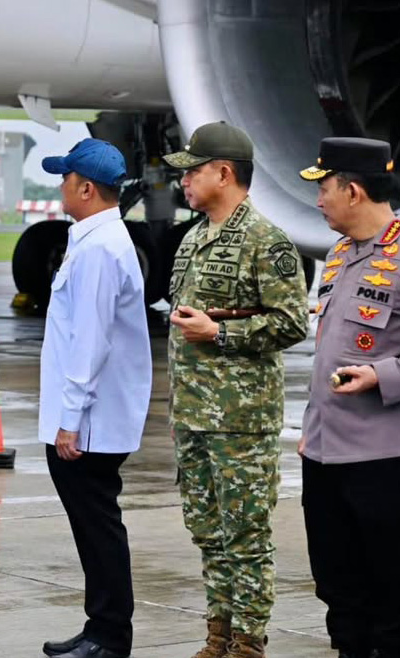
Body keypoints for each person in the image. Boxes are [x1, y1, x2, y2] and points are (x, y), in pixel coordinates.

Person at [163, 121, 309, 658]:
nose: (184, 181)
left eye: (194, 171)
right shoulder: (193, 237)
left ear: (224, 174)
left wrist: (220, 332)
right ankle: (217, 635)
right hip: (194, 415)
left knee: (245, 538)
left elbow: (292, 322)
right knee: (207, 532)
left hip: (239, 420)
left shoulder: (266, 242)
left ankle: (248, 643)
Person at [36, 139, 152, 658]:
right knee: (92, 527)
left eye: (65, 178)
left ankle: (109, 637)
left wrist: (70, 420)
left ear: (85, 187)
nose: (60, 185)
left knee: (98, 527)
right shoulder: (94, 239)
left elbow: (91, 340)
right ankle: (99, 628)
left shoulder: (102, 248)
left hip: (91, 422)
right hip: (90, 416)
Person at [298, 137, 400, 658]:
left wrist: (382, 375)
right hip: (324, 455)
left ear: (354, 191)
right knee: (338, 587)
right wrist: (310, 428)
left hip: (382, 461)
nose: (319, 201)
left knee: (390, 595)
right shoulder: (341, 253)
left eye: (325, 189)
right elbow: (328, 351)